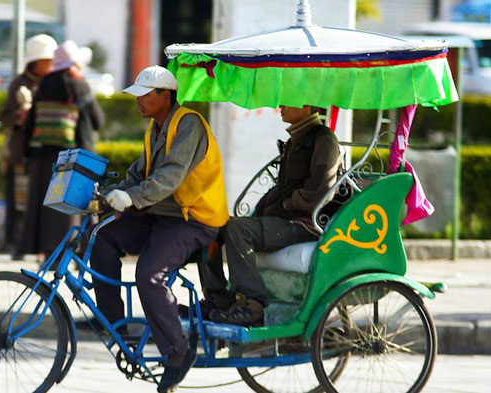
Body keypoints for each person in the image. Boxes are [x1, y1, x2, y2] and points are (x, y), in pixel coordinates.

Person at [89, 65, 229, 393]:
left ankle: (179, 352)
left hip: (195, 220)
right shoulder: (155, 127)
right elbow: (141, 173)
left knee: (148, 274)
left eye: (144, 95)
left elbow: (169, 177)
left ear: (165, 95)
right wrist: (113, 197)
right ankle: (117, 328)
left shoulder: (189, 124)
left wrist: (132, 197)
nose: (138, 101)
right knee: (104, 238)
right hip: (164, 215)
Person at [199, 105, 341, 326]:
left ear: (305, 105)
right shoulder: (297, 138)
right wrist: (267, 207)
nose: (280, 106)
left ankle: (252, 305)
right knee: (211, 225)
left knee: (238, 229)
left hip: (303, 225)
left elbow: (320, 193)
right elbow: (283, 186)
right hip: (284, 220)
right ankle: (218, 298)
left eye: (286, 100)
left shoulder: (323, 140)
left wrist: (283, 205)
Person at [17, 40, 104, 262]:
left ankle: (50, 253)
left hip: (46, 157)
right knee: (81, 206)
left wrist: (26, 153)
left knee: (49, 206)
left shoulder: (44, 84)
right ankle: (82, 254)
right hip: (78, 156)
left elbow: (30, 124)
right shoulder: (79, 84)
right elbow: (97, 121)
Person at [0, 34, 57, 258]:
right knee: (21, 203)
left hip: (44, 151)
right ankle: (17, 245)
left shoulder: (53, 83)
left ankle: (40, 248)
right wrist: (20, 116)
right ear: (35, 62)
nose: (49, 66)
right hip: (22, 153)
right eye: (46, 61)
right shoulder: (19, 84)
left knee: (42, 202)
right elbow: (5, 116)